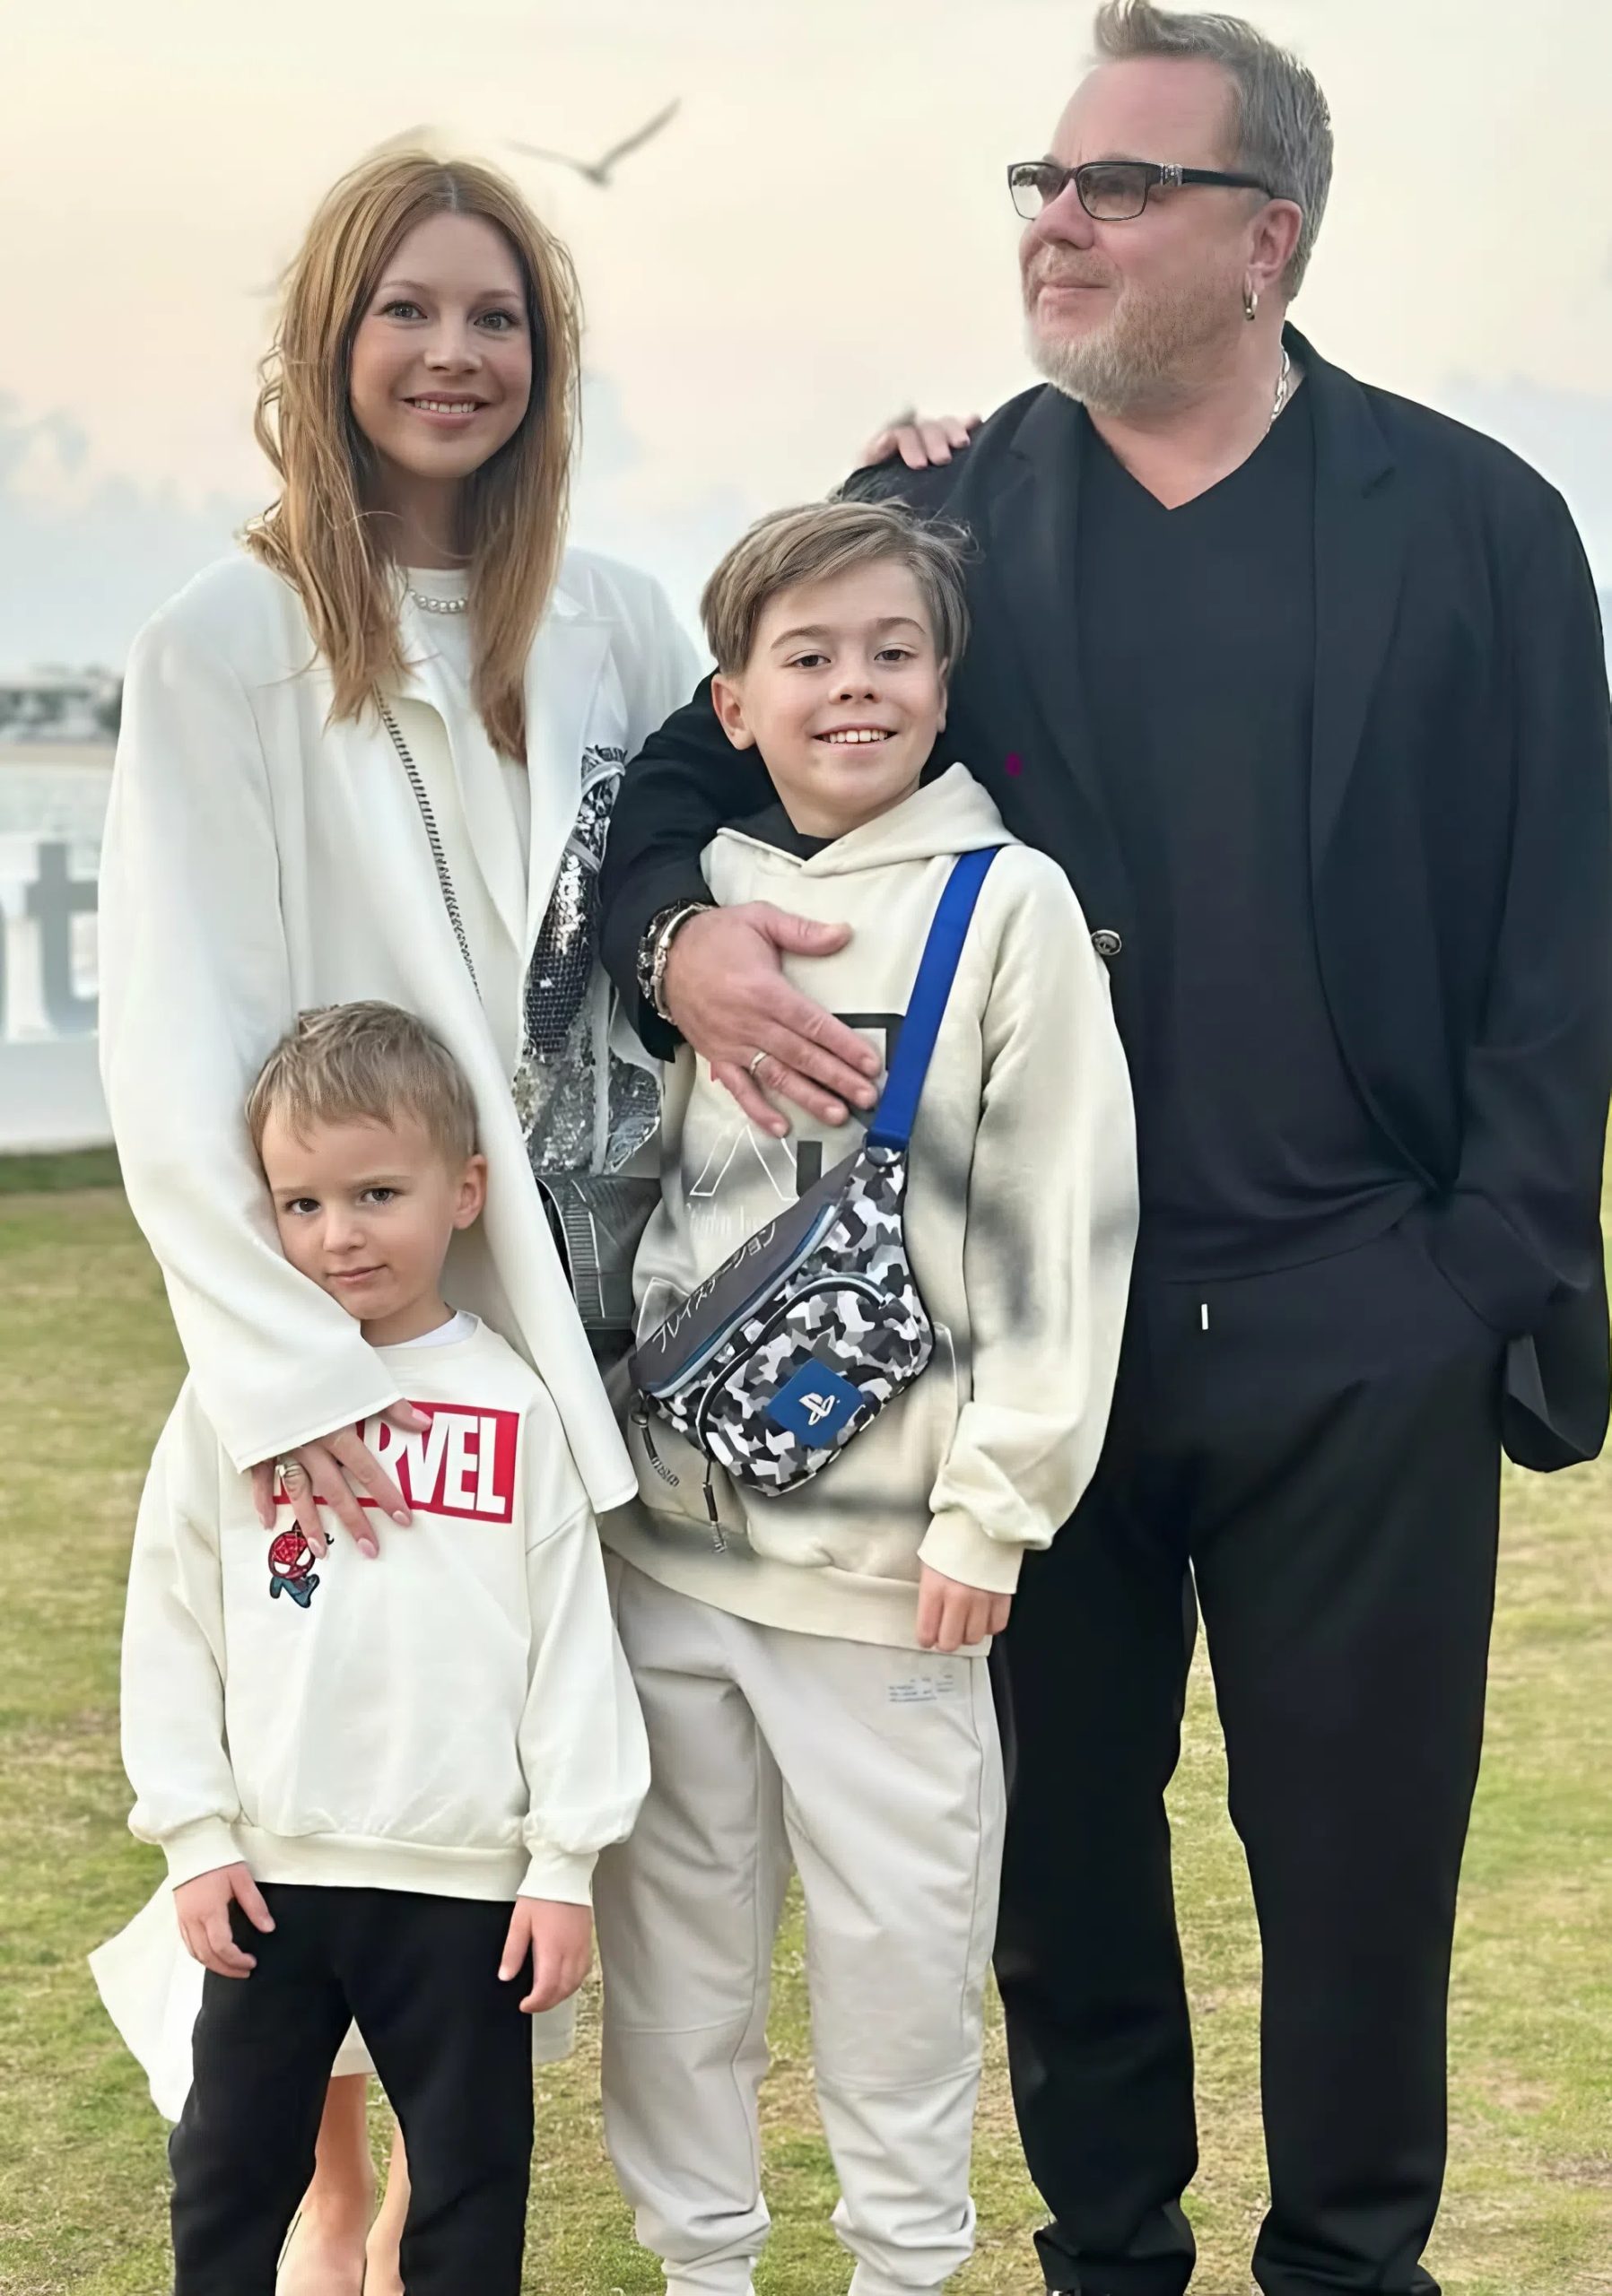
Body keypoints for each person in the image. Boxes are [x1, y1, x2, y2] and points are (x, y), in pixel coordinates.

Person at [598, 8, 1612, 2294]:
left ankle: (1348, 2263)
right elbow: (683, 769)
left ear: (1266, 239)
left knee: (1361, 1874)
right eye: (1040, 183)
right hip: (1020, 1339)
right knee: (1052, 1869)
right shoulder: (930, 515)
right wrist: (679, 944)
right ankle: (1108, 2258)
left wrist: (1479, 1270)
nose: (1054, 223)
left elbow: (1559, 923)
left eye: (1116, 186)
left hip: (1363, 1319)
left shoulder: (1475, 522)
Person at [96, 147, 695, 2293]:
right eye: (409, 310)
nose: (455, 354)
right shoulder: (225, 640)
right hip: (349, 1308)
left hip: (572, 1299)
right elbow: (174, 1027)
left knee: (475, 1743)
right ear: (328, 340)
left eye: (497, 316)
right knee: (314, 1728)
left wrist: (941, 476)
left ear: (547, 356)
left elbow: (751, 791)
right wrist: (289, 1366)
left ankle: (422, 2196)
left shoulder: (610, 617)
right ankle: (326, 2198)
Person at [591, 499, 1137, 2296]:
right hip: (669, 1552)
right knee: (676, 1970)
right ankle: (699, 2266)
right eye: (807, 656)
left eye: (892, 651)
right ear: (731, 702)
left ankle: (903, 2265)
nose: (853, 688)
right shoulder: (701, 903)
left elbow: (1063, 1223)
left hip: (892, 1577)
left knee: (901, 1967)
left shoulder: (1007, 901)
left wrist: (997, 1504)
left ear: (944, 683)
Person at [99, 1001, 649, 2296]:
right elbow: (172, 1622)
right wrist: (194, 1836)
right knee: (229, 2176)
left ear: (465, 1192)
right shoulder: (233, 1403)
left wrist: (563, 1864)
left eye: (376, 1194)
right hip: (270, 1874)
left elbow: (572, 1646)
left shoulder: (516, 1403)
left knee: (467, 2187)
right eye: (301, 1204)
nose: (338, 1235)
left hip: (465, 1887)